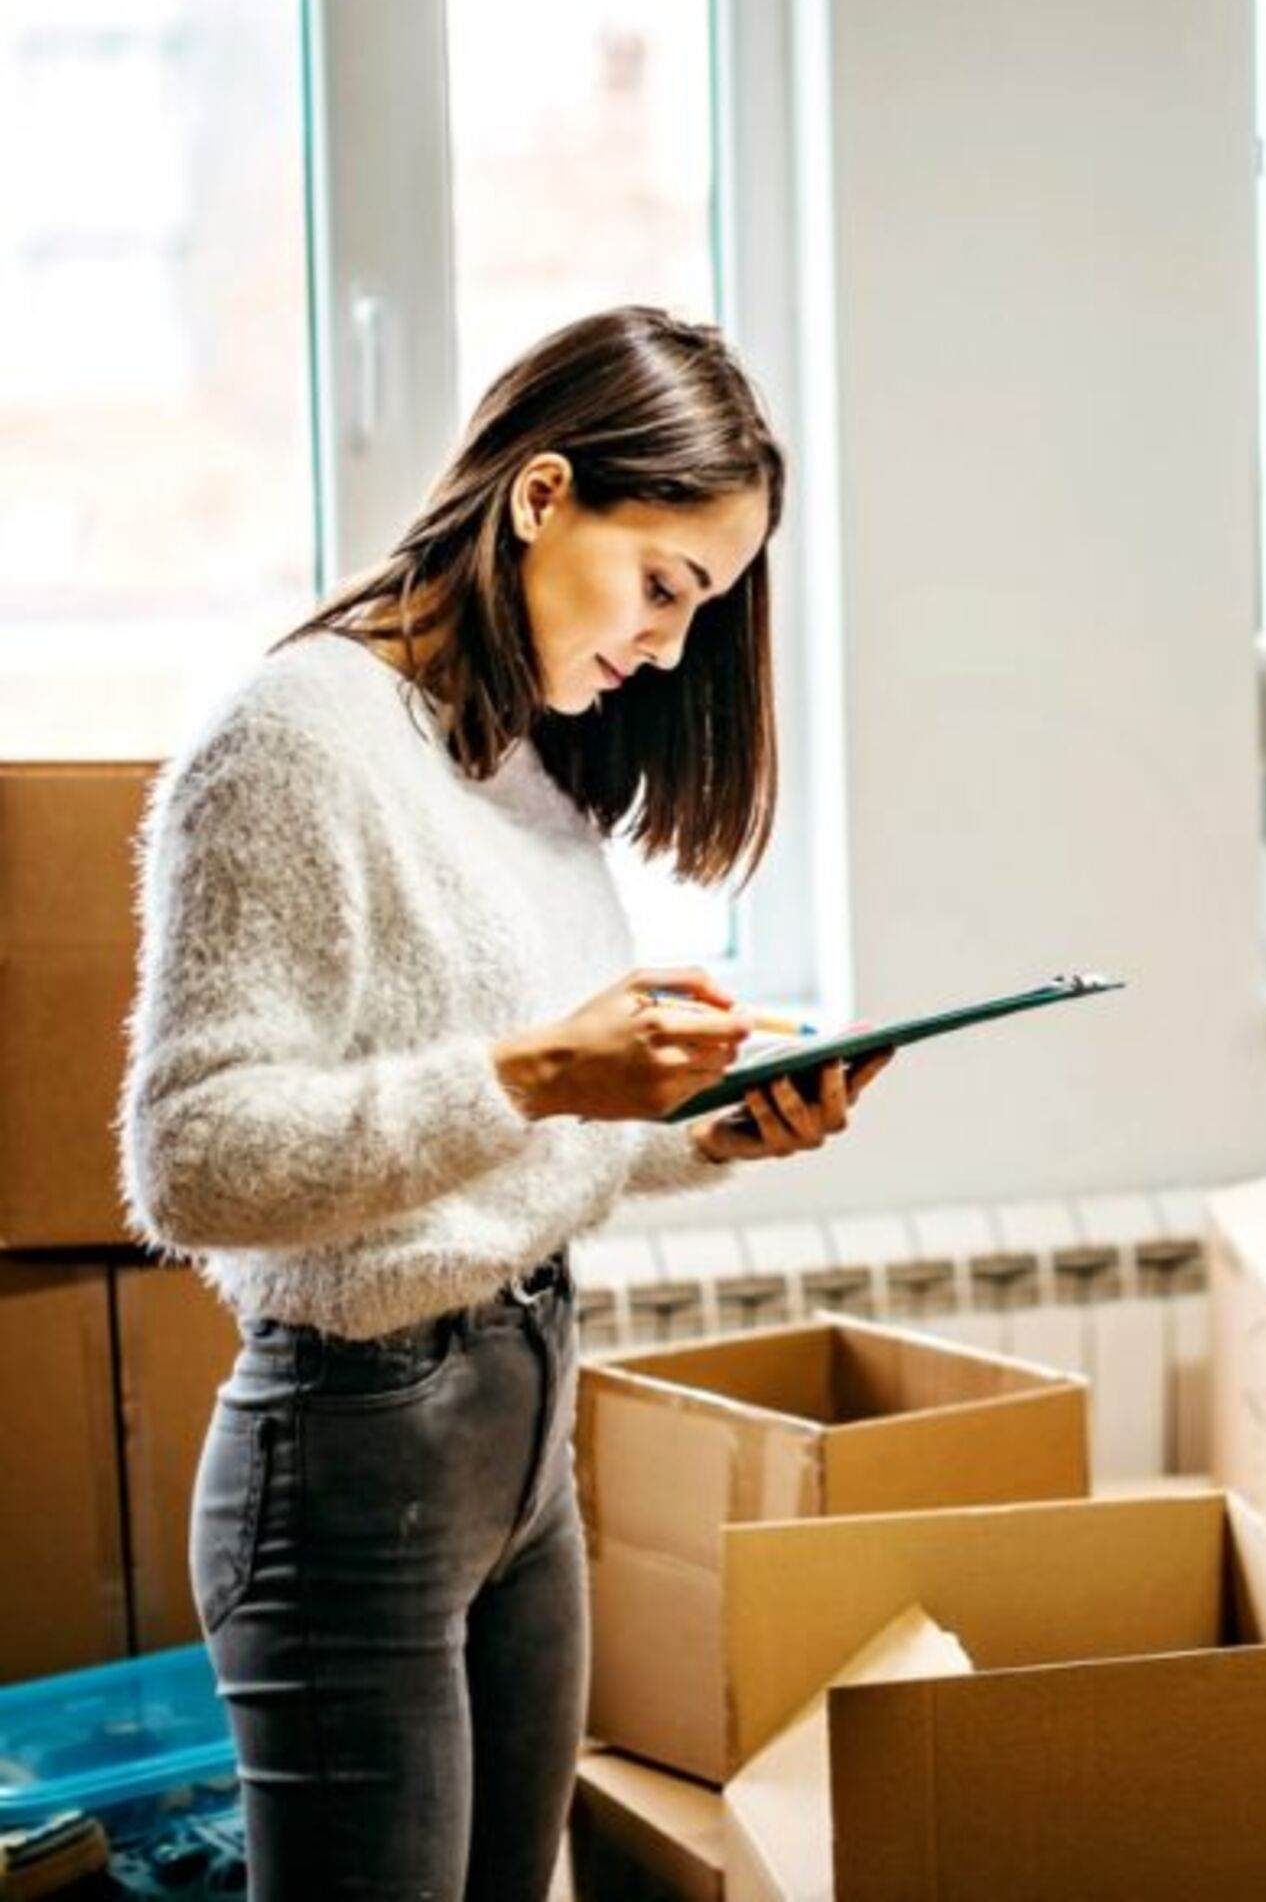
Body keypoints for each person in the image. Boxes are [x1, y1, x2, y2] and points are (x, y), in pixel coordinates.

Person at [117, 305, 887, 1901]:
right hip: (353, 1463)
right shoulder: (291, 742)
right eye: (665, 585)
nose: (671, 648)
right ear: (542, 497)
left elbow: (505, 1144)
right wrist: (538, 1070)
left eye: (707, 606)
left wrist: (705, 1124)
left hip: (522, 1429)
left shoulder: (514, 759)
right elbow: (188, 1163)